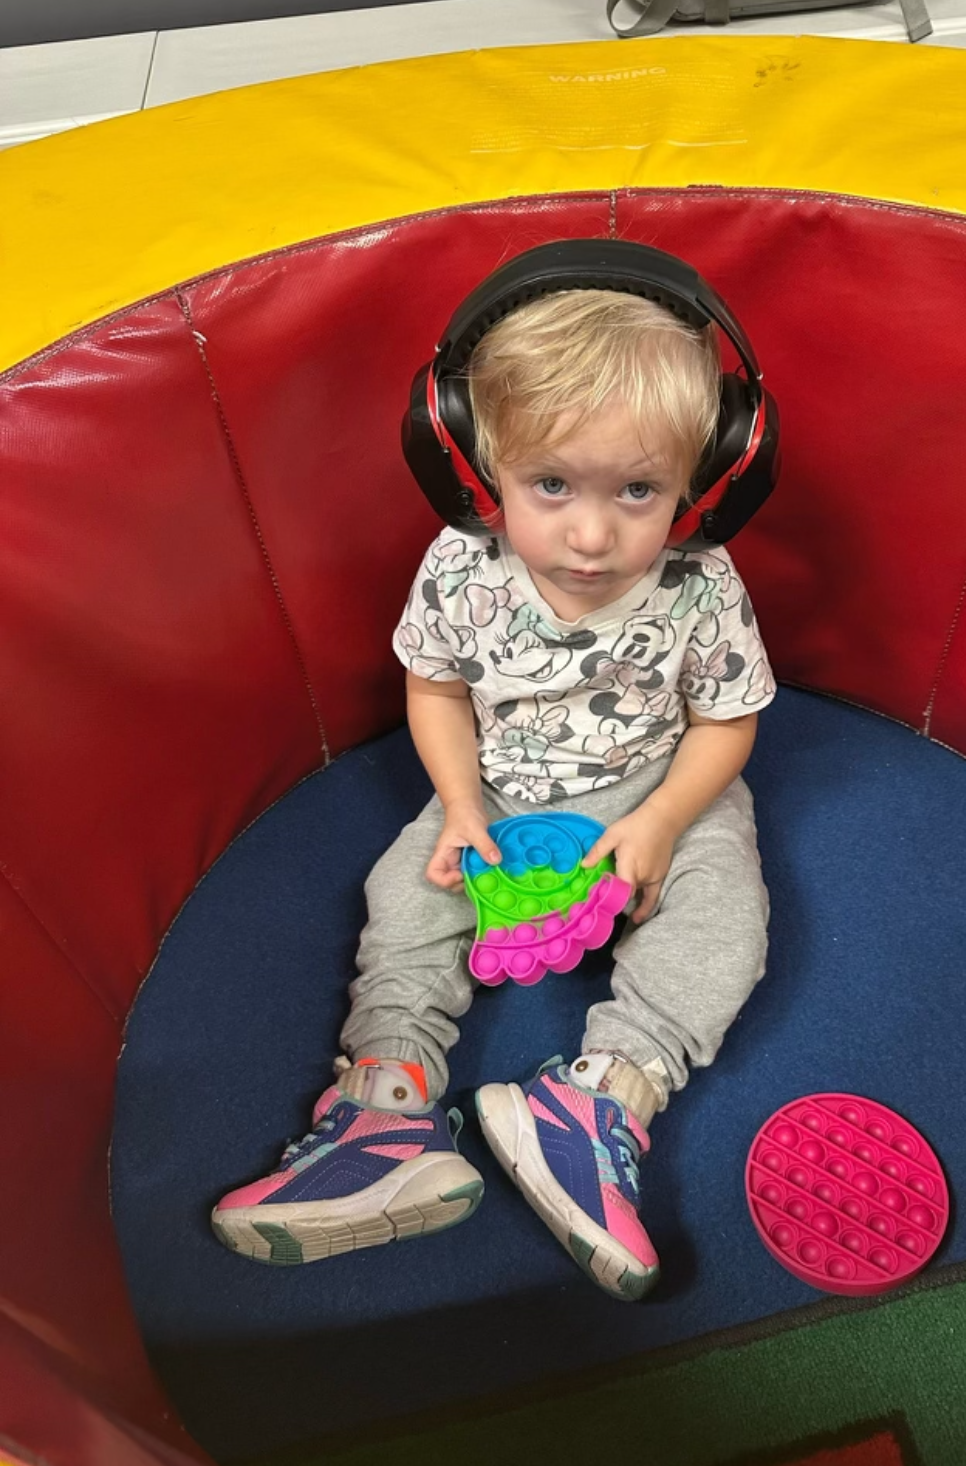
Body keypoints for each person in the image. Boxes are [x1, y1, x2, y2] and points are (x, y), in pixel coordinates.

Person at [212, 245, 777, 1300]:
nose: (593, 532)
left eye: (640, 489)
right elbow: (435, 691)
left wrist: (661, 822)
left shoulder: (704, 583)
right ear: (477, 466)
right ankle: (387, 1111)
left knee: (728, 914)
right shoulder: (461, 568)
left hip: (658, 784)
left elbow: (727, 722)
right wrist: (463, 804)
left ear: (710, 476)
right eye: (551, 484)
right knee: (402, 895)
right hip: (503, 782)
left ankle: (601, 1096)